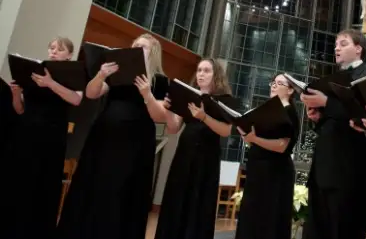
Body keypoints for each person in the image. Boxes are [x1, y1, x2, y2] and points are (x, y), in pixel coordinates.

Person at [57, 33, 168, 239]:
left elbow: (160, 116)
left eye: (141, 47)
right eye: (134, 45)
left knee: (122, 190)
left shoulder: (159, 81)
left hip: (135, 142)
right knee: (96, 184)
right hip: (105, 136)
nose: (135, 49)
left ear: (152, 53)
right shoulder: (119, 73)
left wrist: (147, 95)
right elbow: (91, 94)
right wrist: (100, 75)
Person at [0, 37, 83, 239]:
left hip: (50, 139)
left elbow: (76, 98)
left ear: (69, 54)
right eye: (52, 48)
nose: (54, 52)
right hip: (25, 135)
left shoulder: (72, 74)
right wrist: (15, 93)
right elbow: (20, 110)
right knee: (18, 183)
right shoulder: (34, 72)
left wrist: (50, 83)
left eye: (60, 49)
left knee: (41, 186)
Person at [301, 29, 366, 239]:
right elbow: (332, 123)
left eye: (343, 43)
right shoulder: (330, 80)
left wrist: (326, 103)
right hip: (322, 171)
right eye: (336, 44)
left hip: (350, 173)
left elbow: (364, 117)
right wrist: (317, 118)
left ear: (359, 49)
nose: (336, 48)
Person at [155, 58, 233, 239]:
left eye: (206, 70)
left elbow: (226, 131)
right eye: (199, 70)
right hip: (184, 154)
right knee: (177, 198)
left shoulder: (223, 100)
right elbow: (173, 128)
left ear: (216, 76)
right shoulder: (188, 94)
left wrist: (204, 117)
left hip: (206, 158)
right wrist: (167, 109)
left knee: (199, 203)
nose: (201, 74)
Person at [235, 73, 300, 239]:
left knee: (268, 221)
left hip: (275, 173)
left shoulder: (289, 112)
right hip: (258, 170)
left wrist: (254, 138)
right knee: (252, 219)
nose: (274, 85)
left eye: (280, 83)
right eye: (273, 82)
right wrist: (247, 136)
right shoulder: (266, 110)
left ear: (291, 90)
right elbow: (257, 142)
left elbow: (282, 146)